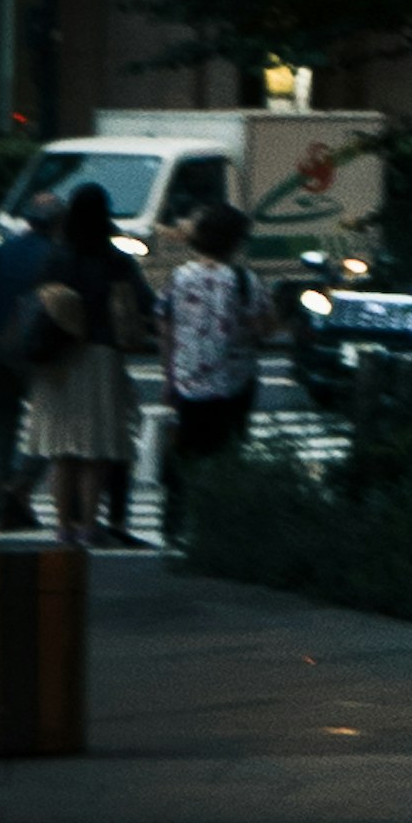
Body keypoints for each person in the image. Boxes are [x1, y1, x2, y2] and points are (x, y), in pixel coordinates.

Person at [21, 181, 153, 550]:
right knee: (96, 450)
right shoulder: (116, 261)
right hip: (101, 357)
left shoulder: (55, 258)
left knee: (62, 450)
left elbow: (36, 301)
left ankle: (63, 524)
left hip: (59, 360)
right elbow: (144, 303)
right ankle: (89, 523)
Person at [155, 203, 264, 562]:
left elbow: (166, 327)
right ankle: (217, 525)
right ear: (235, 242)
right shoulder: (246, 281)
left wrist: (169, 374)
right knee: (226, 453)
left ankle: (174, 520)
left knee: (186, 450)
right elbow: (260, 326)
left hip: (188, 379)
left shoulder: (179, 278)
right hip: (234, 382)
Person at [0, 176, 64, 529]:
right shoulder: (54, 256)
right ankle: (20, 485)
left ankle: (2, 505)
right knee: (52, 421)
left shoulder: (2, 251)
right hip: (35, 349)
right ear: (56, 223)